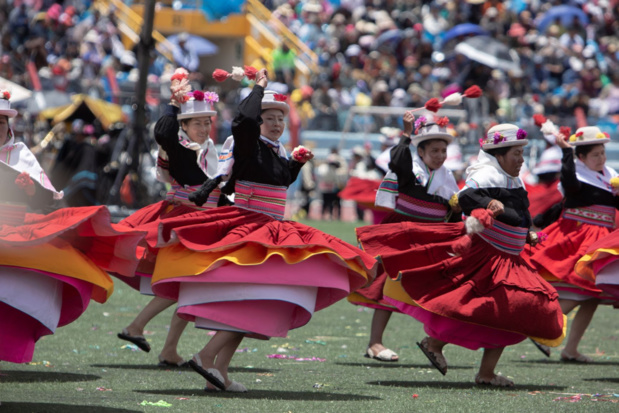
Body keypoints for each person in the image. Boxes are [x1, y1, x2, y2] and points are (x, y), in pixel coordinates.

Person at [148, 68, 377, 392]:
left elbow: (280, 180)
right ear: (257, 121)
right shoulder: (248, 145)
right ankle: (204, 356)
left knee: (263, 300)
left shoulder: (273, 150)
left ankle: (218, 371)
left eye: (280, 119)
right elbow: (241, 122)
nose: (276, 123)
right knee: (263, 298)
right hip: (251, 232)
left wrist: (295, 164)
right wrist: (257, 88)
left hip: (272, 231)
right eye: (268, 118)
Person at [363, 124, 565, 386]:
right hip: (489, 258)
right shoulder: (484, 176)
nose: (520, 159)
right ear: (499, 155)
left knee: (506, 312)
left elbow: (515, 215)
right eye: (515, 153)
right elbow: (468, 198)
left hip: (511, 259)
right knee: (480, 307)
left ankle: (484, 372)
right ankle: (417, 343)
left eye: (521, 153)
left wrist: (526, 234)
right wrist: (487, 205)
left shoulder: (511, 179)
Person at [0, 89, 141, 364]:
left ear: (8, 128)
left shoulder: (20, 156)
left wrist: (30, 192)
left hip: (15, 236)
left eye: (1, 124)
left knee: (13, 295)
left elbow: (47, 204)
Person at [114, 68, 222, 367]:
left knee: (190, 286)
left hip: (203, 222)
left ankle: (168, 348)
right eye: (197, 122)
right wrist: (173, 105)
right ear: (183, 125)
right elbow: (162, 131)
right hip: (186, 222)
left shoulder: (208, 148)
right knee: (184, 283)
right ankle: (136, 327)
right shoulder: (179, 146)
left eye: (207, 122)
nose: (203, 127)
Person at [351, 112, 461, 363]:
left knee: (441, 291)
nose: (440, 155)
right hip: (402, 234)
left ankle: (433, 343)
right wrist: (407, 134)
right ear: (420, 152)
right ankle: (375, 343)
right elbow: (397, 160)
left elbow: (453, 220)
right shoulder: (410, 170)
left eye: (444, 150)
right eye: (434, 150)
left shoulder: (448, 179)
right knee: (384, 287)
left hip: (431, 240)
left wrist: (456, 212)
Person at [530, 127, 618, 363]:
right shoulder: (577, 177)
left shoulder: (609, 176)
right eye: (595, 155)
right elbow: (568, 181)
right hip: (582, 238)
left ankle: (571, 349)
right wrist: (566, 152)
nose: (601, 158)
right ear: (581, 157)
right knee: (583, 289)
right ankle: (541, 328)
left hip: (602, 238)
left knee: (592, 296)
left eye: (602, 153)